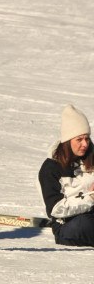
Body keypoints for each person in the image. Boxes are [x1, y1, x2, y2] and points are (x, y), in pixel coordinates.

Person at [39, 104, 94, 247]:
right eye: (79, 139)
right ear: (68, 141)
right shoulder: (50, 169)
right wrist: (91, 197)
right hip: (67, 225)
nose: (85, 144)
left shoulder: (91, 158)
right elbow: (56, 209)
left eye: (87, 139)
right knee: (86, 224)